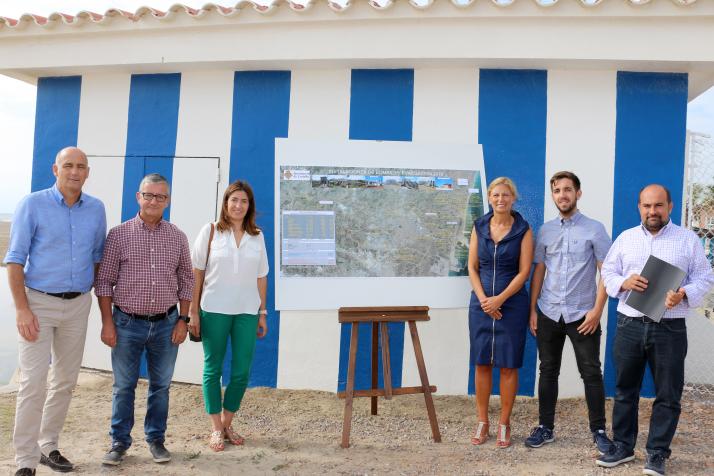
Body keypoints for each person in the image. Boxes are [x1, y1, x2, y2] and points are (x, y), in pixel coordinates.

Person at [597, 184, 714, 476]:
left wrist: (683, 293)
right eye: (647, 206)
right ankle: (623, 447)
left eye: (659, 205)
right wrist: (624, 282)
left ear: (670, 207)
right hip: (629, 325)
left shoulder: (687, 240)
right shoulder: (626, 239)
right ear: (639, 207)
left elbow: (705, 276)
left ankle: (657, 453)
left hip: (670, 328)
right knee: (625, 391)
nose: (653, 211)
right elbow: (608, 272)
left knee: (668, 394)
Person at [4, 147, 106, 476]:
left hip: (78, 304)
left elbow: (97, 256)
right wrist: (22, 309)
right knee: (33, 382)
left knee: (64, 381)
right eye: (68, 166)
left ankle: (48, 445)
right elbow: (15, 259)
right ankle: (25, 459)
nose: (74, 172)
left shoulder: (96, 209)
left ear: (87, 172)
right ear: (55, 169)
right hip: (39, 304)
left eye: (81, 167)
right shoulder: (32, 204)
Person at [95, 173, 194, 466]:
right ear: (138, 197)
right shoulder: (118, 235)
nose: (154, 201)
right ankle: (119, 442)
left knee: (160, 386)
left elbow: (187, 280)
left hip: (167, 324)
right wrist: (107, 323)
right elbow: (104, 283)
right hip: (126, 324)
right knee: (123, 386)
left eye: (160, 196)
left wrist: (183, 320)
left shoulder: (177, 236)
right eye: (148, 195)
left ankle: (156, 439)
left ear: (168, 200)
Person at [525, 171, 613, 453]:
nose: (562, 195)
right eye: (557, 190)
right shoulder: (546, 230)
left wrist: (597, 311)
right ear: (553, 195)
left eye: (567, 189)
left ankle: (599, 430)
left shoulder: (595, 229)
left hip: (582, 315)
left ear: (578, 193)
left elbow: (607, 273)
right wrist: (533, 309)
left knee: (591, 372)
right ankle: (545, 428)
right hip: (549, 311)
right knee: (548, 370)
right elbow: (539, 269)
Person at [188, 180, 269, 452]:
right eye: (234, 200)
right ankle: (215, 429)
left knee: (241, 372)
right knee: (213, 370)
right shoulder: (211, 231)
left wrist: (262, 312)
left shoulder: (257, 236)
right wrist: (193, 311)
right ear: (225, 203)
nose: (238, 205)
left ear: (250, 206)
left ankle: (227, 422)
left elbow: (261, 276)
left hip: (246, 311)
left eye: (244, 201)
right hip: (213, 310)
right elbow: (197, 272)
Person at [468, 177, 533, 448]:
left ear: (513, 198)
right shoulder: (479, 227)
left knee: (508, 365)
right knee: (482, 362)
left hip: (513, 304)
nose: (500, 199)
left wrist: (501, 300)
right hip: (481, 304)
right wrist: (485, 300)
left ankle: (504, 423)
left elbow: (524, 271)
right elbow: (472, 267)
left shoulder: (523, 230)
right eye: (496, 195)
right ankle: (482, 421)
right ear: (490, 198)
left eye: (505, 195)